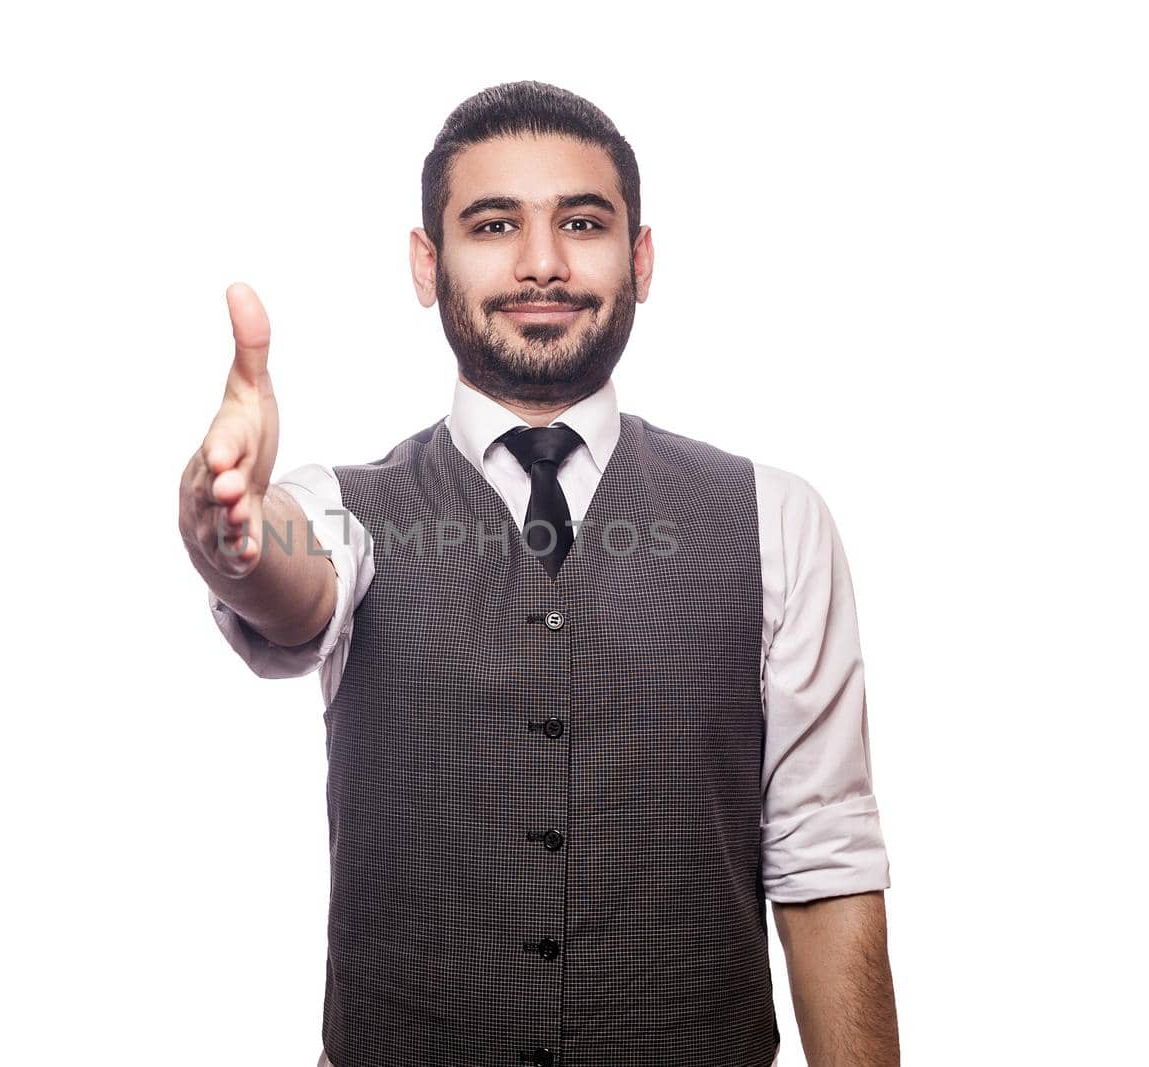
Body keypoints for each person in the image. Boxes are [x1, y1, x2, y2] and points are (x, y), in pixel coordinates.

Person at [180, 80, 898, 1067]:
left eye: (583, 222)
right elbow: (290, 585)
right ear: (426, 264)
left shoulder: (777, 519)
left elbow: (826, 860)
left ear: (640, 260)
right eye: (492, 224)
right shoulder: (341, 510)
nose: (542, 262)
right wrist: (232, 533)